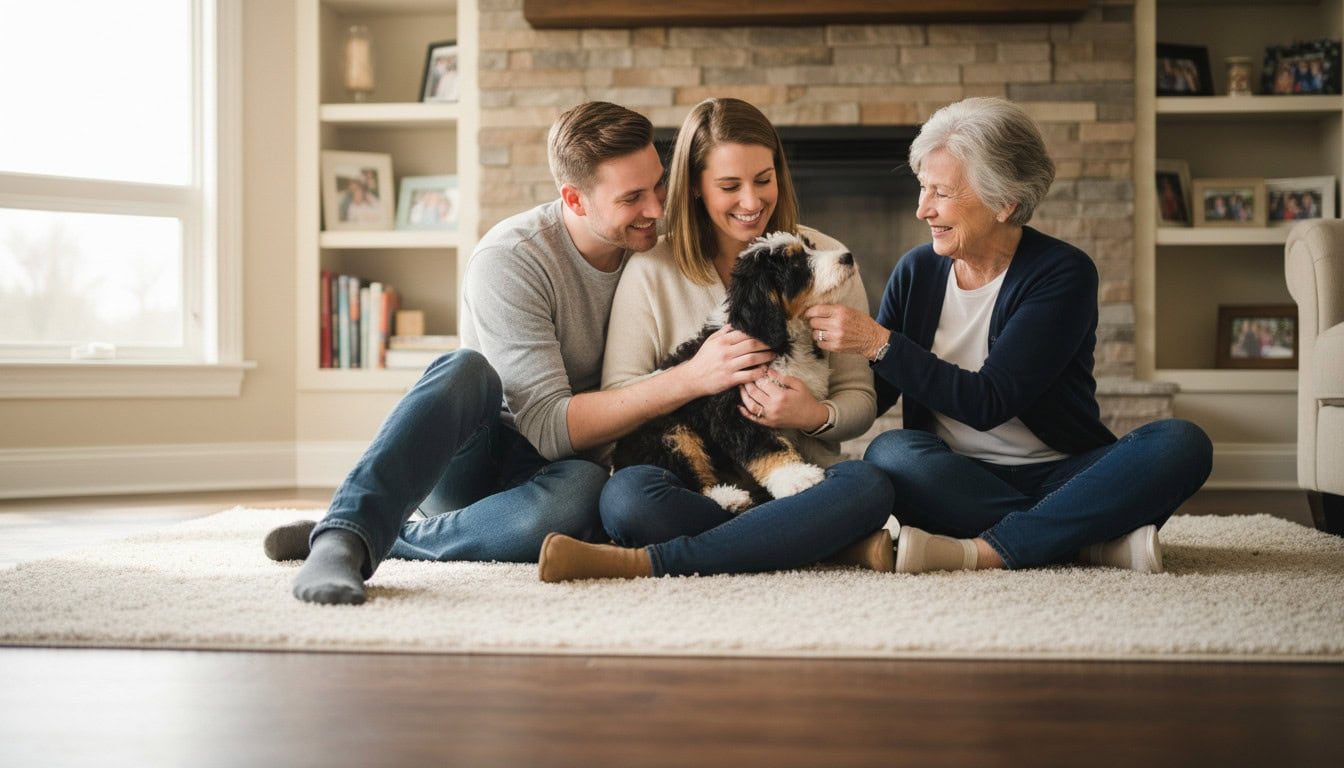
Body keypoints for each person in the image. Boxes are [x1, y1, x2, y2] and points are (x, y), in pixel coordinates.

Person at [265, 102, 714, 605]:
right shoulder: (513, 258)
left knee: (588, 494)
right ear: (575, 199)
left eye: (659, 186)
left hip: (554, 477)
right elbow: (547, 427)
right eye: (633, 197)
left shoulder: (657, 253)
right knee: (465, 369)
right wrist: (689, 378)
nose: (656, 208)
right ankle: (341, 537)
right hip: (475, 457)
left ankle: (382, 536)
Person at [803, 97, 1213, 575]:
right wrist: (813, 390)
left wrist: (878, 342)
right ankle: (1082, 541)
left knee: (1181, 443)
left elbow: (989, 401)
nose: (922, 210)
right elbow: (881, 389)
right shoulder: (916, 271)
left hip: (1065, 474)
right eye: (921, 188)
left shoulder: (1063, 274)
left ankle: (987, 549)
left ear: (1005, 202)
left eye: (941, 192)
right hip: (957, 477)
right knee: (893, 455)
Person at [536, 98, 895, 582]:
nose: (752, 202)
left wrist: (814, 415)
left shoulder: (824, 261)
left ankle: (657, 560)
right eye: (729, 186)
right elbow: (620, 396)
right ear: (696, 188)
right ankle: (816, 541)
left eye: (763, 180)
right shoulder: (651, 270)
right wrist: (694, 377)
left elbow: (860, 399)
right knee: (627, 499)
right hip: (700, 481)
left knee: (869, 484)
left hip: (801, 471)